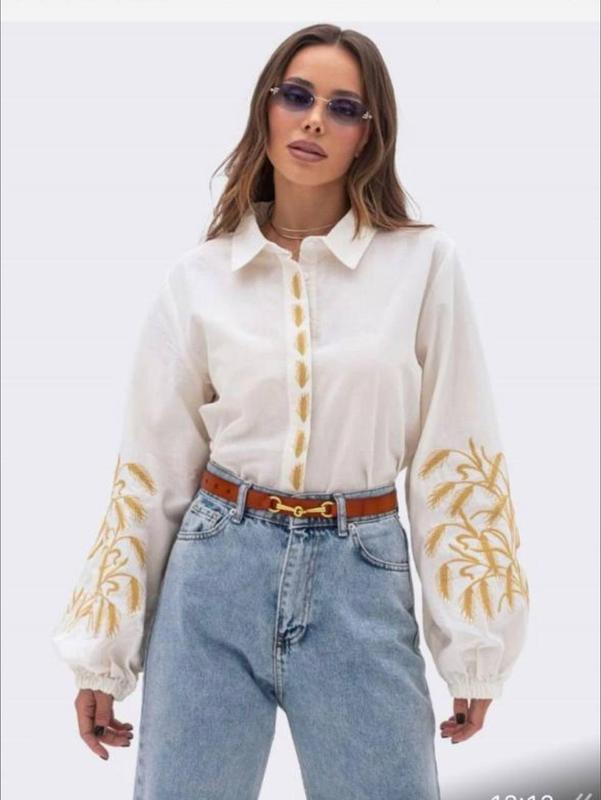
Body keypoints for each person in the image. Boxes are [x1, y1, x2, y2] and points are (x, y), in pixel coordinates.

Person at [51, 23, 530, 800]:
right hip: (213, 575)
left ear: (368, 134)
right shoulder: (198, 280)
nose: (313, 120)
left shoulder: (422, 265)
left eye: (342, 108)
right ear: (266, 109)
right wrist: (102, 655)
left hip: (359, 576)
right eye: (297, 96)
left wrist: (472, 648)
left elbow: (455, 444)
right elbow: (151, 469)